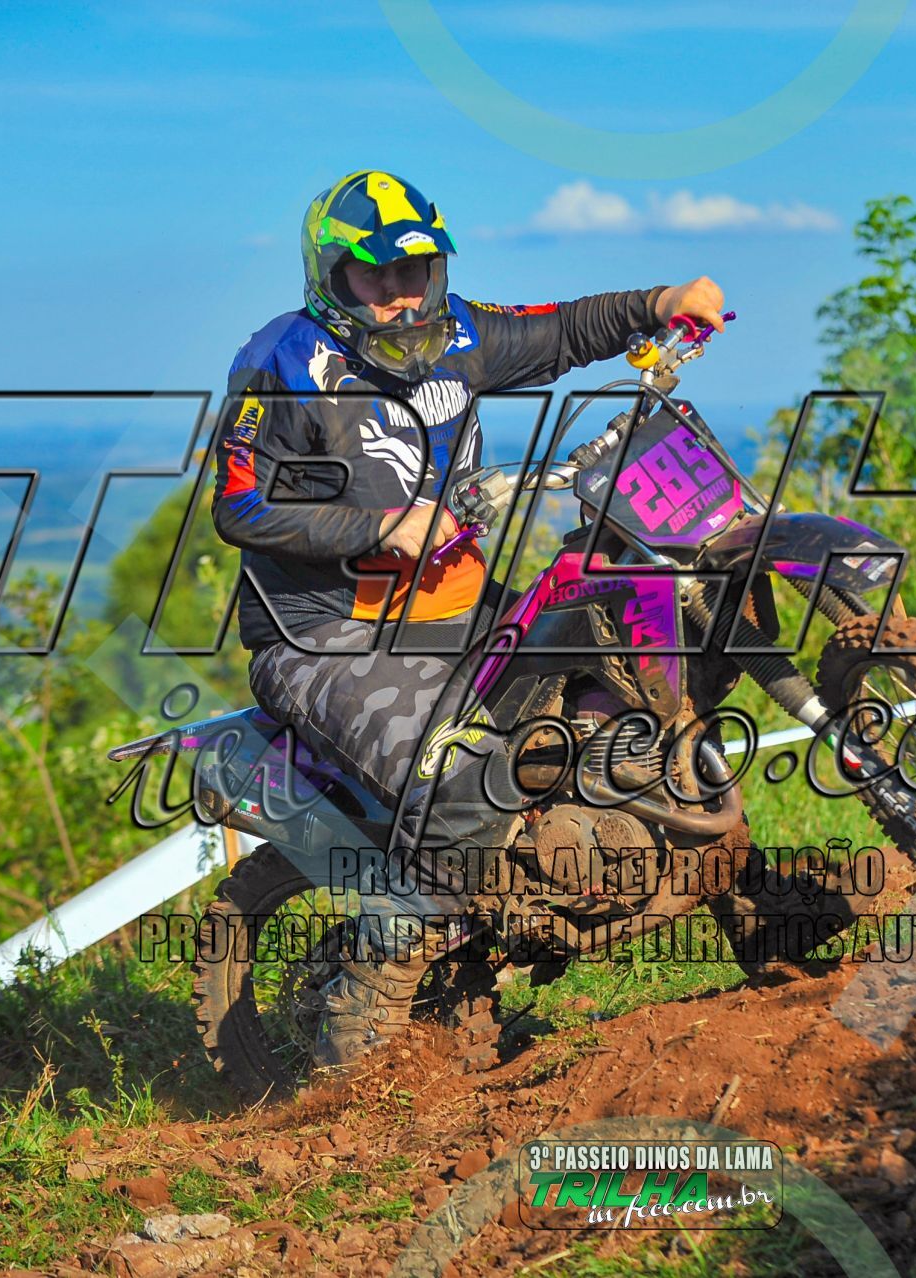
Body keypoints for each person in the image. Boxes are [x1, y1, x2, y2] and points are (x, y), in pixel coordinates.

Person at [210, 169, 726, 1060]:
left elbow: (562, 329)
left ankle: (746, 905)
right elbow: (240, 506)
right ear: (332, 278)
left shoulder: (459, 334)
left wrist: (660, 302)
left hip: (458, 612)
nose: (401, 296)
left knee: (611, 658)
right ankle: (362, 1020)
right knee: (467, 779)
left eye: (415, 273)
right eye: (376, 276)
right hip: (327, 639)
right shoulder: (281, 360)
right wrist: (381, 526)